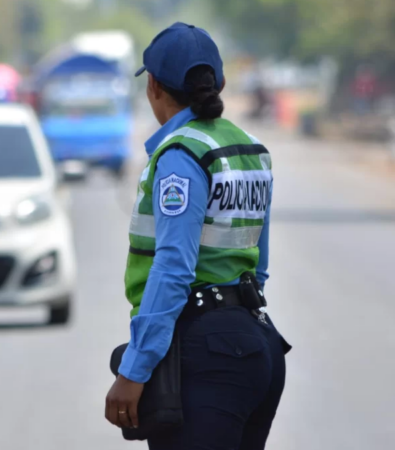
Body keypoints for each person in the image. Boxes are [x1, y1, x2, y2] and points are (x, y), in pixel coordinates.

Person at [104, 23, 290, 449]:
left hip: (207, 356)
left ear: (152, 86)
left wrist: (134, 369)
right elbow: (257, 264)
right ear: (219, 83)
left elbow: (173, 267)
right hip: (255, 341)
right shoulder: (248, 147)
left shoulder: (181, 156)